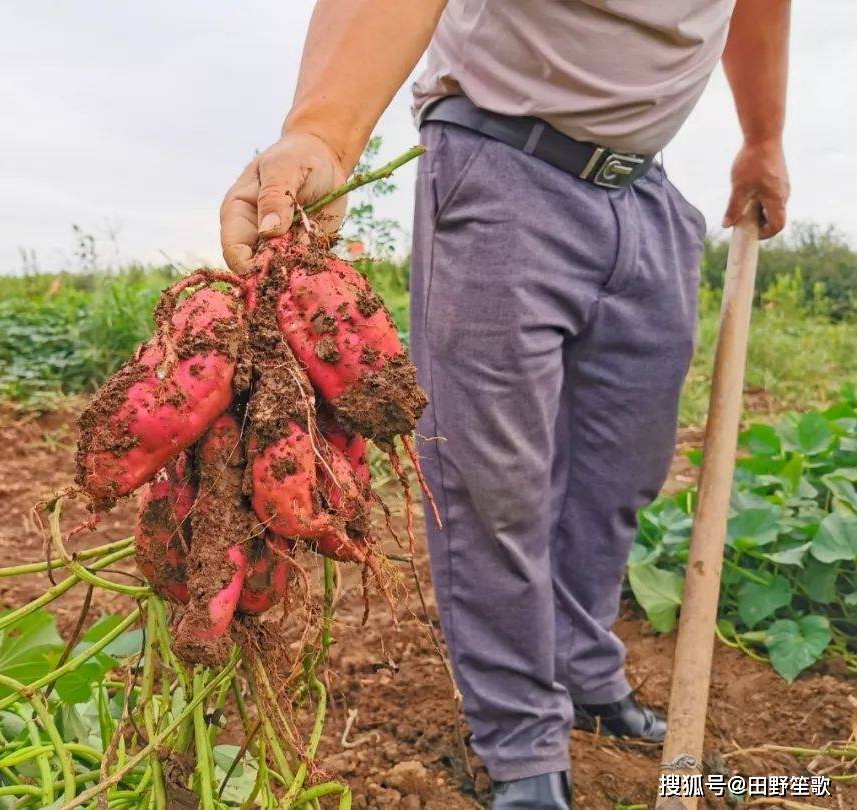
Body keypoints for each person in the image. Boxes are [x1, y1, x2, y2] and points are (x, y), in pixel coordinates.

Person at [219, 1, 790, 807]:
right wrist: (323, 133)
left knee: (618, 474)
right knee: (493, 484)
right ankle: (522, 743)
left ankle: (582, 674)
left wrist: (763, 138)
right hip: (503, 162)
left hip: (645, 188)